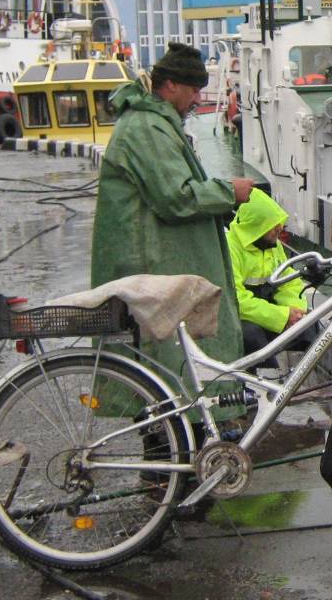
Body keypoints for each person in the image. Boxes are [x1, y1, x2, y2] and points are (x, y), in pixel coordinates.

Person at [90, 41, 254, 415]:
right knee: (160, 361)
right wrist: (230, 191)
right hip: (150, 263)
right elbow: (175, 197)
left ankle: (174, 445)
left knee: (164, 363)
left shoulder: (153, 123)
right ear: (171, 87)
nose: (198, 98)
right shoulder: (148, 127)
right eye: (194, 90)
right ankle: (166, 454)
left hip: (154, 261)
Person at [226, 189, 309, 373]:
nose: (279, 228)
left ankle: (298, 377)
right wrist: (281, 316)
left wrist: (295, 310)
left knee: (309, 327)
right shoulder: (231, 248)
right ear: (257, 226)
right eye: (272, 226)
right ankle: (266, 385)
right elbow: (237, 301)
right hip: (240, 315)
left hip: (266, 309)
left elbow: (289, 281)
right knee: (251, 336)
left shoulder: (273, 245)